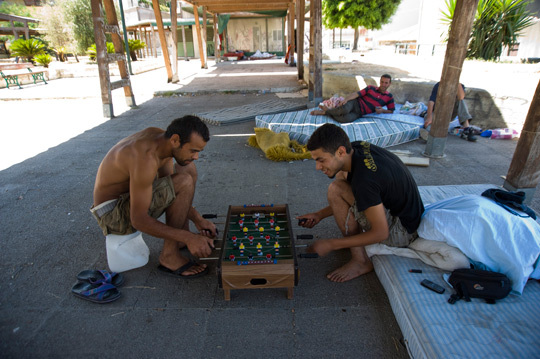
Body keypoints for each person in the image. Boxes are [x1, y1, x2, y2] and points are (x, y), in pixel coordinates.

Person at [91, 115, 217, 278]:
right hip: (113, 215)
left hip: (127, 199)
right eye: (193, 150)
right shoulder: (144, 158)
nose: (196, 156)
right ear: (176, 140)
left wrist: (198, 219)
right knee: (184, 181)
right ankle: (169, 256)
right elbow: (139, 220)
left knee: (187, 169)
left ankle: (180, 239)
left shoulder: (160, 139)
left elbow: (169, 188)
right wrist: (190, 238)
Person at [298, 124, 424, 283]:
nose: (317, 167)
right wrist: (319, 215)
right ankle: (352, 246)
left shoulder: (364, 181)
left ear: (340, 151)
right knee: (341, 173)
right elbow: (360, 195)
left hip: (403, 231)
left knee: (336, 189)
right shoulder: (355, 148)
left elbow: (381, 233)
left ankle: (361, 261)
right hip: (406, 213)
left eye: (321, 160)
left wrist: (332, 244)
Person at [310, 74, 395, 123]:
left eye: (386, 83)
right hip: (355, 103)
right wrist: (346, 100)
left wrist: (382, 110)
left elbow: (391, 110)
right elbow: (356, 94)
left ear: (389, 84)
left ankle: (326, 111)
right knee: (344, 110)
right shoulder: (371, 88)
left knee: (344, 119)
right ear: (380, 81)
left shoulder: (389, 97)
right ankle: (324, 111)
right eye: (382, 82)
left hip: (360, 113)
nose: (383, 84)